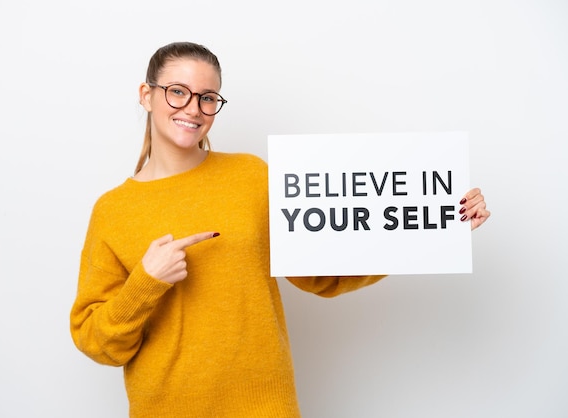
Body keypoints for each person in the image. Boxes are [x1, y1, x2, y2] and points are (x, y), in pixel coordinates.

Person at [70, 41, 491, 418]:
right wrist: (145, 283)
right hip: (164, 410)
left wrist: (436, 227)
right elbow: (97, 341)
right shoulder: (112, 210)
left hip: (265, 406)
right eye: (177, 92)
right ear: (147, 95)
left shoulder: (253, 177)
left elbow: (321, 274)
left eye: (208, 97)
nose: (193, 109)